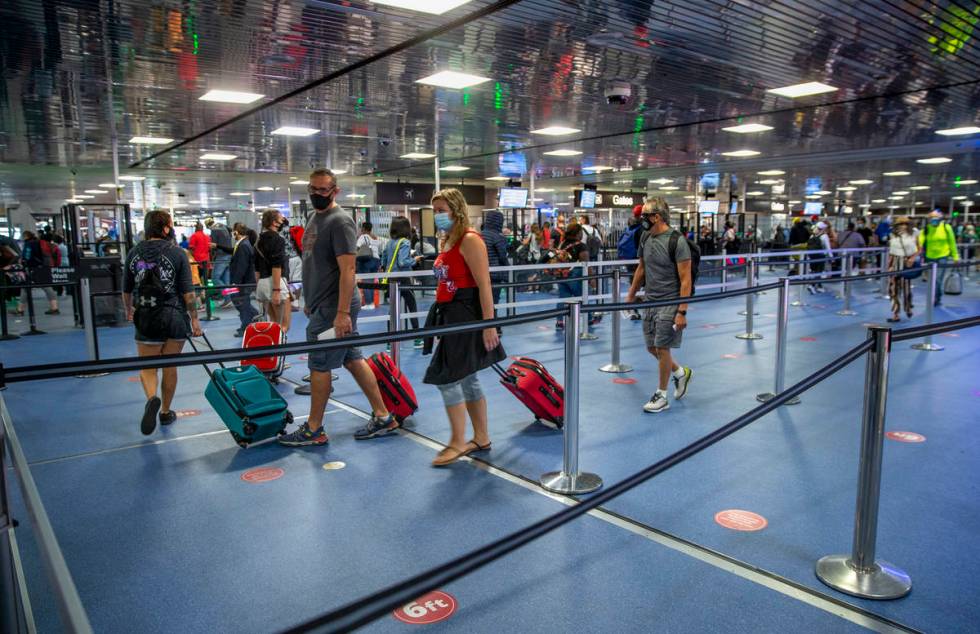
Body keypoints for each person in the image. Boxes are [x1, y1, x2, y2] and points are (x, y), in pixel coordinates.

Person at [279, 168, 395, 447]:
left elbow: (348, 270)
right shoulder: (312, 218)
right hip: (323, 304)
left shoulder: (340, 221)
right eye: (313, 189)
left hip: (335, 306)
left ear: (335, 191)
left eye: (323, 190)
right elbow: (313, 264)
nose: (317, 194)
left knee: (320, 364)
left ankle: (314, 428)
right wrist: (309, 300)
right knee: (352, 358)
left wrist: (342, 313)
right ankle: (383, 416)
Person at [422, 188, 505, 466]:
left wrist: (489, 325)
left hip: (466, 315)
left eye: (441, 210)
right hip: (450, 315)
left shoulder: (470, 240)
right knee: (467, 377)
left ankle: (457, 441)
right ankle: (481, 437)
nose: (437, 216)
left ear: (456, 209)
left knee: (448, 379)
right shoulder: (447, 240)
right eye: (435, 211)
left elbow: (484, 284)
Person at [122, 211, 202, 435]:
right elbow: (188, 291)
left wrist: (129, 310)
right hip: (174, 315)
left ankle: (152, 398)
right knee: (170, 365)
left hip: (147, 315)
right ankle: (166, 411)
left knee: (148, 368)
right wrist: (194, 319)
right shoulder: (178, 253)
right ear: (166, 228)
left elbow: (126, 289)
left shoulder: (134, 253)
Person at [626, 198, 694, 414]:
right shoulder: (646, 237)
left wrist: (682, 311)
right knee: (651, 347)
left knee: (663, 348)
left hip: (670, 301)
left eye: (645, 215)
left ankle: (661, 395)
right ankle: (680, 373)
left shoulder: (677, 241)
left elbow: (686, 279)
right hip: (650, 300)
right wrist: (631, 295)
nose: (641, 219)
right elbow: (641, 268)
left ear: (657, 217)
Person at [381, 216, 424, 349]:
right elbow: (402, 262)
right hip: (403, 278)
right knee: (412, 306)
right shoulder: (404, 242)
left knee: (393, 309)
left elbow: (384, 261)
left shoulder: (389, 243)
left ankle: (390, 342)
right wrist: (415, 260)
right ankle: (417, 339)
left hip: (391, 278)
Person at [255, 209, 292, 332]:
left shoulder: (258, 240)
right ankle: (280, 350)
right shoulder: (278, 240)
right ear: (274, 222)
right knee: (283, 326)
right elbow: (276, 266)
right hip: (275, 283)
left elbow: (256, 268)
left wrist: (258, 288)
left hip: (262, 283)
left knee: (274, 323)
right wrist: (276, 290)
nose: (283, 221)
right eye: (281, 219)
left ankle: (275, 350)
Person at [551, 223, 590, 330]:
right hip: (574, 276)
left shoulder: (562, 244)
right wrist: (591, 279)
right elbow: (586, 264)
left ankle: (559, 322)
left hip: (561, 275)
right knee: (583, 297)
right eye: (581, 232)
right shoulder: (581, 246)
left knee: (562, 298)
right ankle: (589, 318)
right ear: (578, 233)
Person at [917, 209, 959, 306]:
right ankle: (936, 296)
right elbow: (919, 242)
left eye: (935, 217)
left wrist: (955, 256)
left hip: (942, 257)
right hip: (930, 257)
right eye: (931, 217)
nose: (933, 219)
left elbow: (952, 242)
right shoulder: (926, 229)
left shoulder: (946, 227)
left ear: (940, 218)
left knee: (938, 279)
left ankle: (936, 298)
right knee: (932, 280)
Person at [19, 230, 60, 315]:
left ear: (26, 236)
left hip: (34, 268)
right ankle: (54, 307)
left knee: (26, 287)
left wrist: (23, 262)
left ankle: (20, 309)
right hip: (45, 266)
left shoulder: (29, 244)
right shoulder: (39, 242)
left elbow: (27, 256)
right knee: (46, 286)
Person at [887, 216, 919, 323]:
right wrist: (889, 266)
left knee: (906, 289)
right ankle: (895, 313)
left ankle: (908, 307)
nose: (903, 226)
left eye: (905, 224)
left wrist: (913, 258)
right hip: (895, 262)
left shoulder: (914, 233)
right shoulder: (893, 234)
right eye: (900, 224)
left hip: (906, 263)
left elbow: (919, 248)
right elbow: (891, 252)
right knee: (893, 290)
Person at [229, 223, 259, 337]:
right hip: (244, 281)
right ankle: (254, 315)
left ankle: (246, 326)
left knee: (241, 302)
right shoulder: (242, 244)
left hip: (243, 282)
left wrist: (235, 283)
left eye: (233, 231)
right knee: (239, 300)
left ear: (237, 232)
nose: (232, 233)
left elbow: (242, 266)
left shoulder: (243, 246)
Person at [480, 209, 509, 307]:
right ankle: (492, 321)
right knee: (493, 302)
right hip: (495, 275)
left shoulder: (479, 235)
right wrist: (508, 270)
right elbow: (502, 257)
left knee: (483, 302)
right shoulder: (498, 237)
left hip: (480, 273)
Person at [354, 222, 382, 306]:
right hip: (376, 261)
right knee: (372, 282)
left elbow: (357, 247)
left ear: (364, 229)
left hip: (366, 261)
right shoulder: (374, 238)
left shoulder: (363, 237)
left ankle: (369, 303)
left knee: (366, 281)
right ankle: (372, 302)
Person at [205, 218, 233, 291]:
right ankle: (228, 300)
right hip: (229, 255)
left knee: (215, 278)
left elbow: (213, 245)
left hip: (221, 256)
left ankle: (227, 298)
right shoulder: (223, 226)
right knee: (226, 280)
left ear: (208, 225)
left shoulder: (214, 230)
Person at [806, 221, 832, 294]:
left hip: (812, 257)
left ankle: (820, 287)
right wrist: (831, 257)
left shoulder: (812, 236)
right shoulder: (824, 236)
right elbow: (828, 248)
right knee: (819, 272)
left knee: (814, 271)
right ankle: (812, 285)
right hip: (821, 256)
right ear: (823, 229)